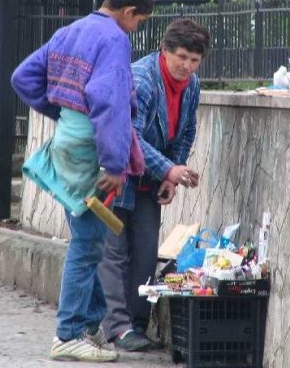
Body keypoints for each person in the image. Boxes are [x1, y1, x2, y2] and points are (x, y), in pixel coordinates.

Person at [10, 0, 153, 362]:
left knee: (93, 237)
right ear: (128, 12)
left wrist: (60, 111)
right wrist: (114, 163)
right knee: (87, 244)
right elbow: (110, 102)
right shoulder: (114, 39)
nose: (136, 29)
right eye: (138, 22)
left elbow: (22, 77)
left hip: (69, 139)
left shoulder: (70, 29)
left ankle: (89, 326)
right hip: (93, 147)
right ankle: (68, 333)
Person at [98, 18, 210, 351]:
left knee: (146, 255)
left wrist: (171, 174)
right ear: (164, 50)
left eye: (194, 60)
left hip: (150, 178)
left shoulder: (192, 85)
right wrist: (168, 169)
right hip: (115, 175)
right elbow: (128, 135)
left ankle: (136, 325)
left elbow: (186, 130)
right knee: (115, 253)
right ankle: (116, 328)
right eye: (181, 57)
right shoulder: (142, 79)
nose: (186, 66)